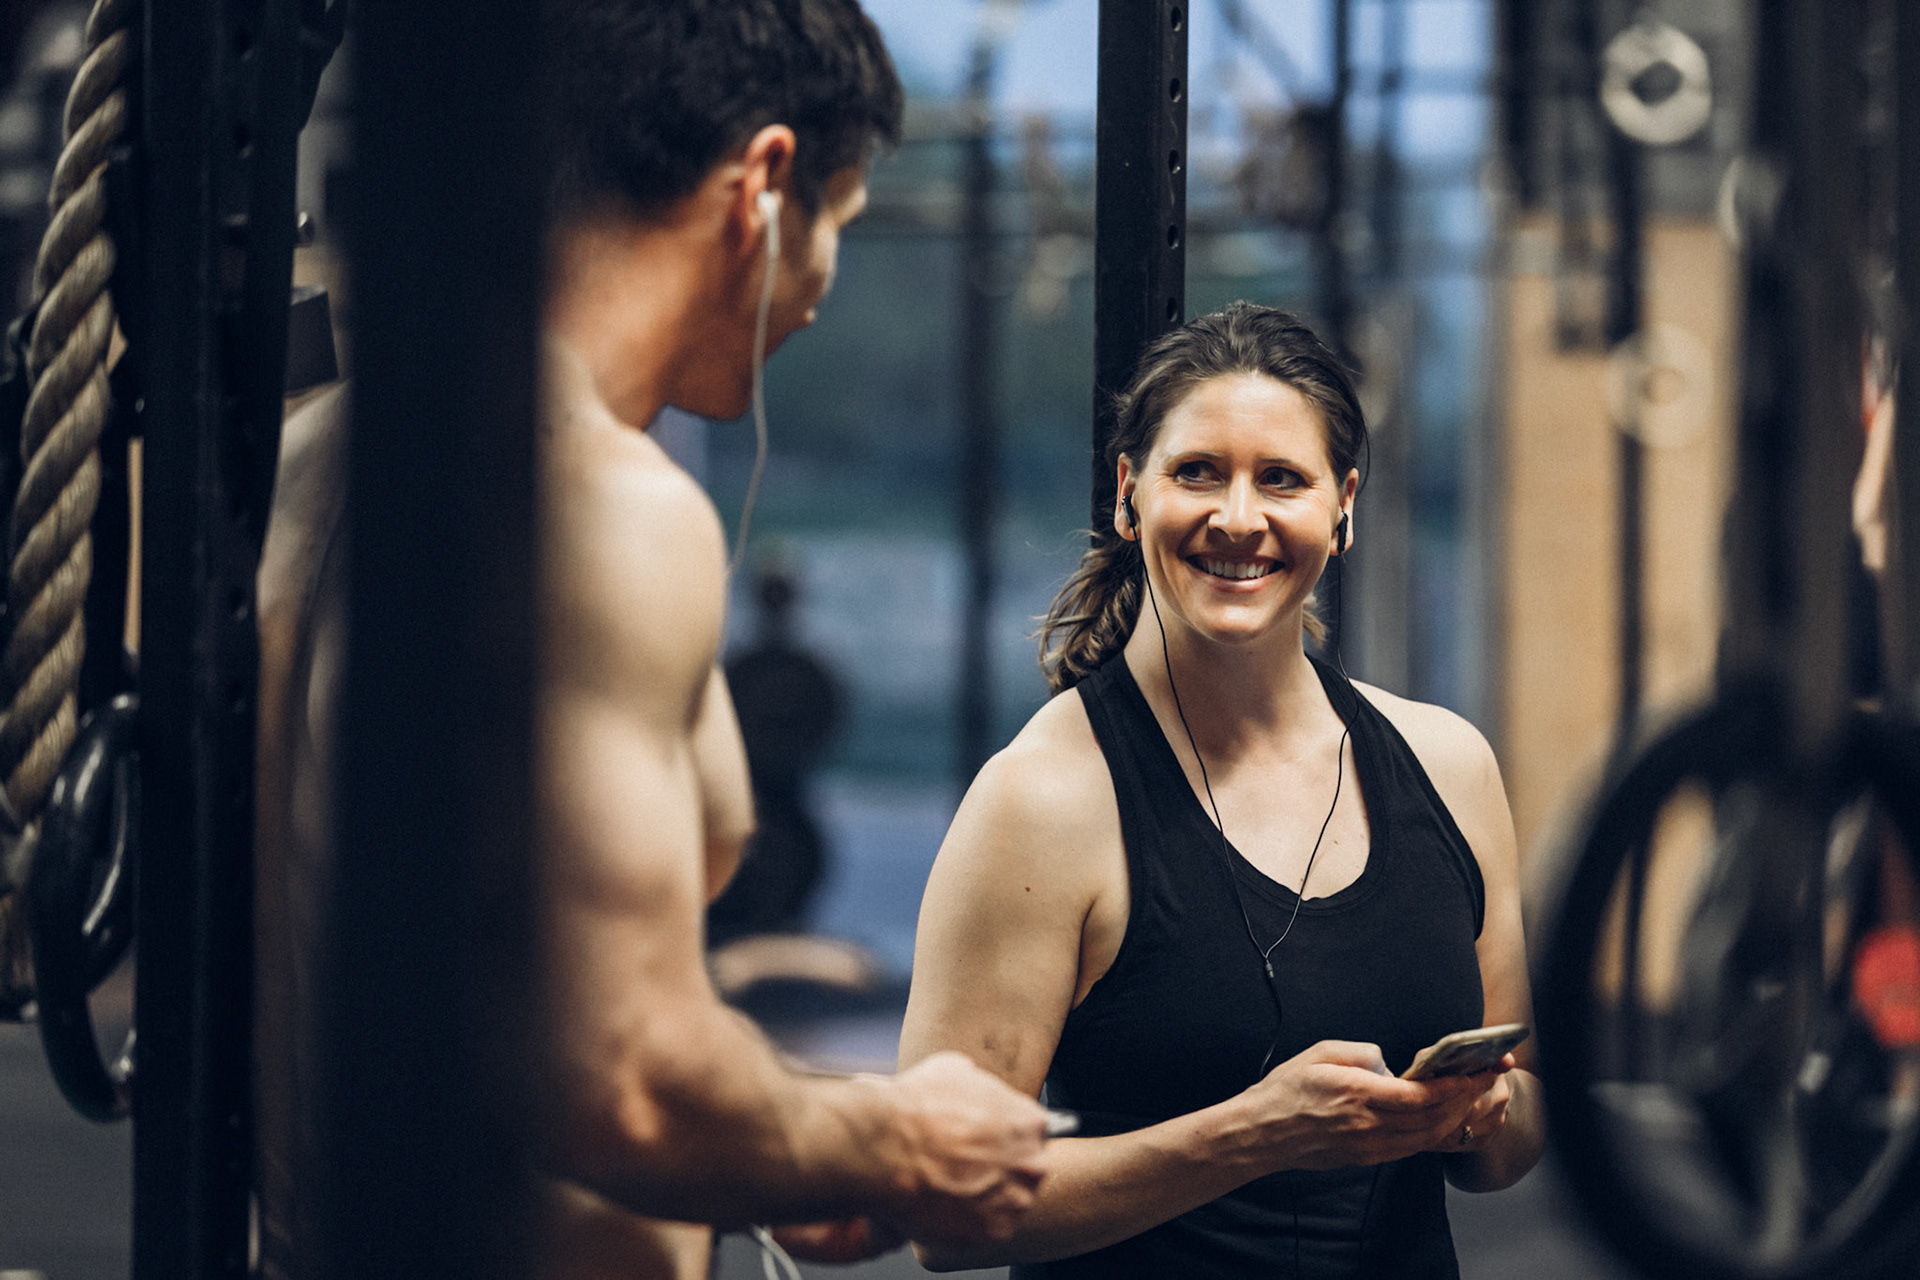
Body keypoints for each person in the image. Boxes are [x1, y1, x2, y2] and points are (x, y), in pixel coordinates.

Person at [256, 4, 1048, 1279]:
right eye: (840, 219)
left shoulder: (318, 462)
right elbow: (621, 1077)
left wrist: (764, 1147)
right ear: (767, 184)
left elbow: (484, 1031)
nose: (824, 289)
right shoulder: (601, 508)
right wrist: (882, 1137)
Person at [898, 303, 1543, 1277]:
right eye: (1198, 470)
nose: (1238, 517)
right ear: (1129, 493)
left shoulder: (1449, 764)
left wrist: (1488, 1113)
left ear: (1344, 506)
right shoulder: (1043, 802)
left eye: (1281, 477)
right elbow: (941, 1211)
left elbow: (1512, 1133)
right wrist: (1251, 1135)